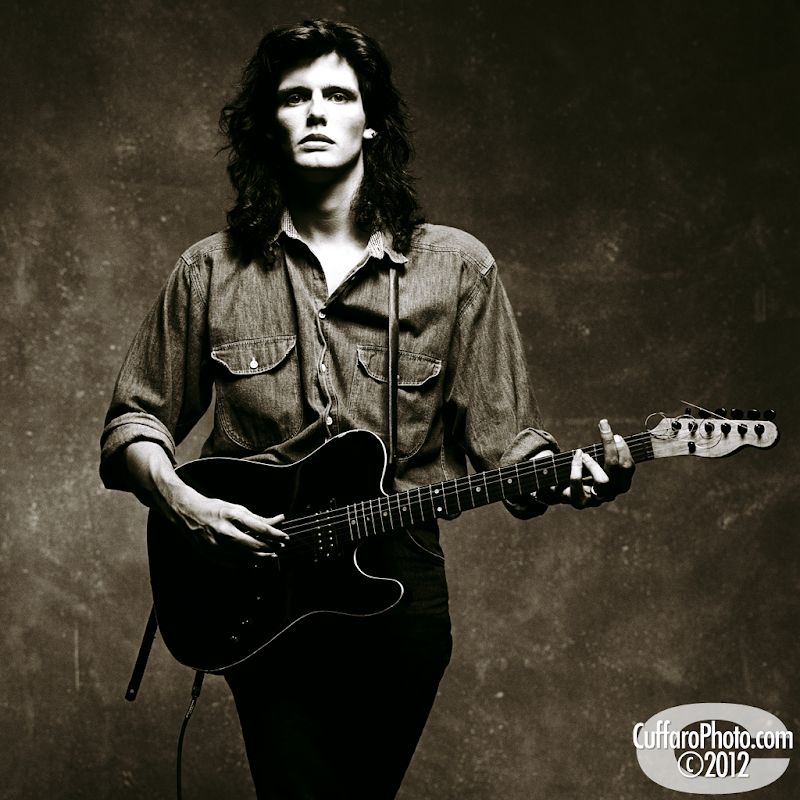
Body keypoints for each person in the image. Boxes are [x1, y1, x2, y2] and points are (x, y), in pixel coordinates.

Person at [100, 19, 634, 800]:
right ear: (268, 125)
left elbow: (504, 445)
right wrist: (184, 503)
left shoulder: (457, 269)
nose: (317, 111)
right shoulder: (209, 272)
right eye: (295, 98)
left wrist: (561, 477)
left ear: (370, 123)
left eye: (338, 95)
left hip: (398, 591)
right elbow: (132, 425)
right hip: (263, 591)